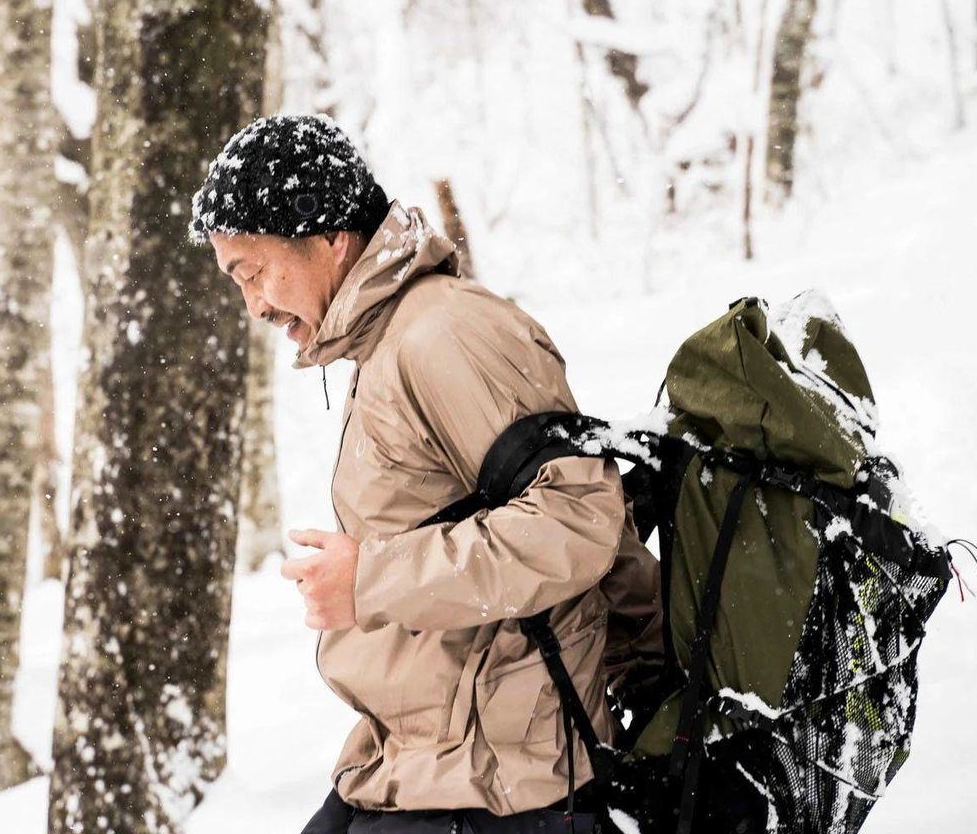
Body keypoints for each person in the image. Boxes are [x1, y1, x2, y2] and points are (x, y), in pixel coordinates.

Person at [190, 114, 664, 834]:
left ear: (327, 236)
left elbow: (579, 520)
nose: (253, 305)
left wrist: (369, 580)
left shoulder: (447, 333)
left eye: (252, 273)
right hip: (411, 763)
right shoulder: (388, 345)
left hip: (495, 788)